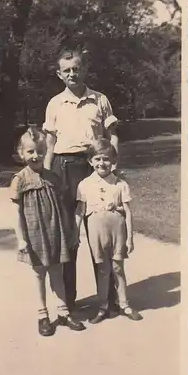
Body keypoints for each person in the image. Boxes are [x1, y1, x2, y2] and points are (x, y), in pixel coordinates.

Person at [43, 47, 119, 312]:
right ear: (59, 74)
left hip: (94, 167)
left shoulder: (99, 99)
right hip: (64, 169)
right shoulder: (55, 103)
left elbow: (112, 136)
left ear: (84, 69)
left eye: (76, 68)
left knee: (101, 234)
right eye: (67, 70)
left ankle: (109, 299)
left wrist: (113, 166)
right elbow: (50, 144)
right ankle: (69, 300)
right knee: (69, 236)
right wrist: (46, 176)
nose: (72, 74)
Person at [9, 126, 86, 336]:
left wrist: (70, 230)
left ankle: (63, 312)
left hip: (55, 231)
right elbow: (16, 213)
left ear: (46, 152)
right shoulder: (20, 180)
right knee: (39, 274)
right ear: (21, 153)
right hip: (35, 235)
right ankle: (42, 315)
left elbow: (63, 207)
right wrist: (21, 239)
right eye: (31, 151)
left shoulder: (53, 177)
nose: (36, 155)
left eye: (40, 151)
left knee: (57, 273)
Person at [75, 138, 143, 323]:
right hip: (97, 231)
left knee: (117, 267)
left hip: (117, 230)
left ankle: (124, 304)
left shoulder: (120, 184)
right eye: (97, 159)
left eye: (106, 159)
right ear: (90, 161)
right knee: (103, 270)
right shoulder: (84, 184)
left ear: (113, 161)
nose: (101, 163)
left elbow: (128, 213)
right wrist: (75, 233)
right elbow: (80, 212)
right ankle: (103, 306)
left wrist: (130, 238)